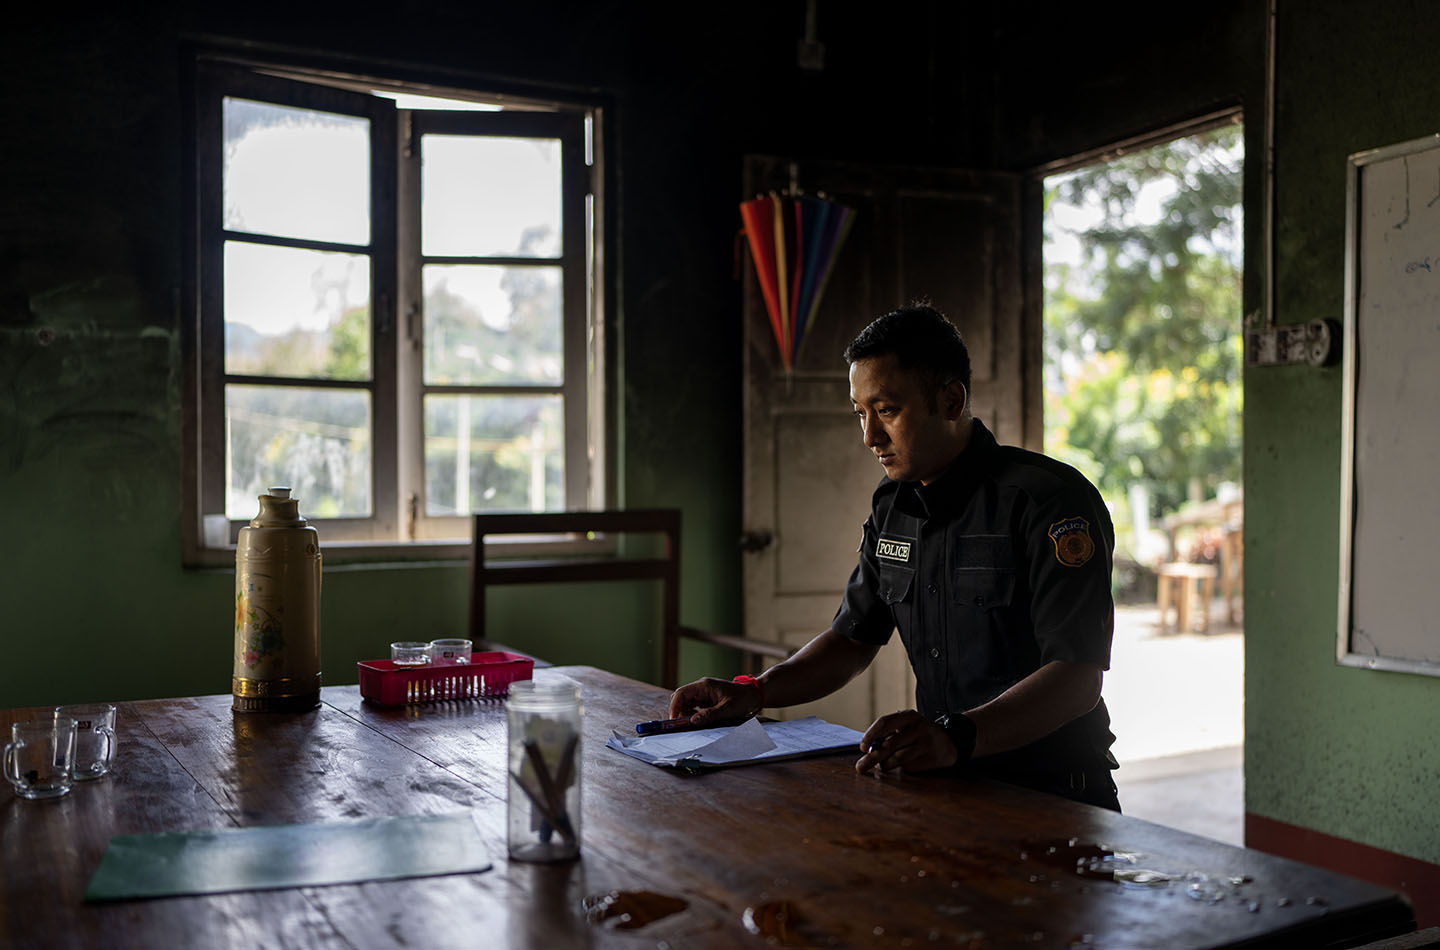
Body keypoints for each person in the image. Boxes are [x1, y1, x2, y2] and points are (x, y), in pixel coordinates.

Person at [669, 303, 1121, 810]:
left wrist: (954, 735)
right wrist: (756, 692)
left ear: (951, 401)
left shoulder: (1049, 502)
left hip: (1056, 792)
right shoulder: (893, 506)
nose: (869, 438)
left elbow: (1077, 677)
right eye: (860, 414)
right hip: (949, 783)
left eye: (886, 411)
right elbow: (851, 639)